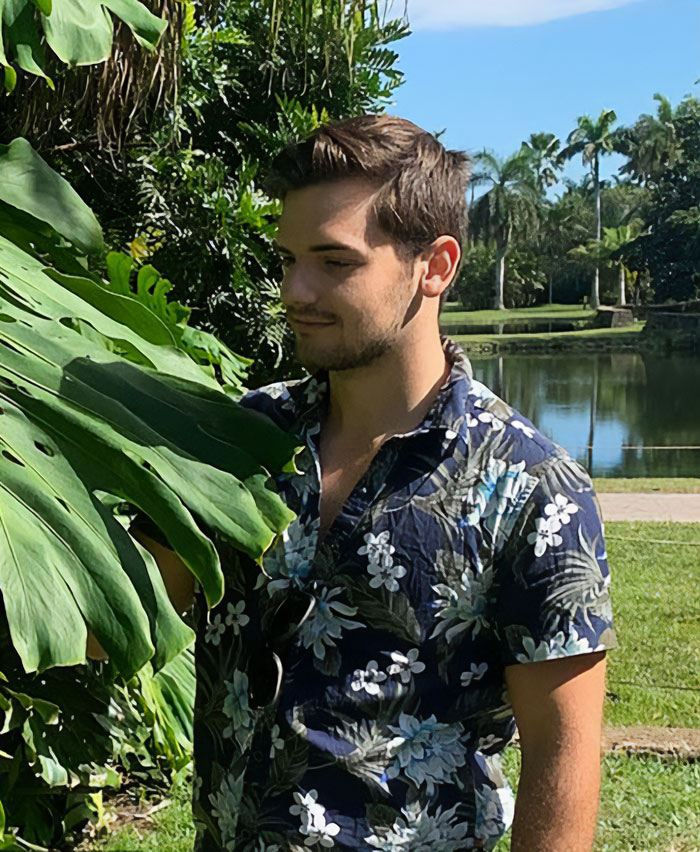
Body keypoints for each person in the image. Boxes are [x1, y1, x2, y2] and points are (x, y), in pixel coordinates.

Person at [91, 114, 616, 851]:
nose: (295, 290)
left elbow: (564, 762)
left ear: (435, 266)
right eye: (287, 259)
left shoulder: (533, 489)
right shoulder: (241, 442)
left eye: (335, 263)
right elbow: (107, 626)